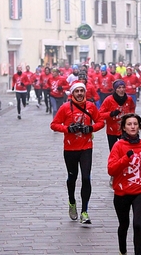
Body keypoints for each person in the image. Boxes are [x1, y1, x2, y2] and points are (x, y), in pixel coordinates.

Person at [50, 82, 105, 224]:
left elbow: (100, 122)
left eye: (82, 91)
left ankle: (84, 212)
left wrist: (90, 128)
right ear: (72, 93)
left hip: (86, 148)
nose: (80, 93)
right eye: (77, 91)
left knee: (86, 178)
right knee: (72, 178)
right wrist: (68, 129)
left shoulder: (91, 107)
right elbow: (54, 125)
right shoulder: (65, 108)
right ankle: (72, 201)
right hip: (70, 149)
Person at [108, 113, 141, 255]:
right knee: (124, 225)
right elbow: (111, 169)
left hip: (140, 190)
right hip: (122, 192)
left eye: (135, 124)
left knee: (137, 224)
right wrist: (125, 159)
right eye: (129, 124)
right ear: (123, 127)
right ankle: (123, 250)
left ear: (139, 127)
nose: (132, 126)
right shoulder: (118, 145)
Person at [99, 79, 136, 187]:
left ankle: (126, 173)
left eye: (123, 87)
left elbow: (132, 110)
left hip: (125, 130)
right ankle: (114, 174)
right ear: (115, 89)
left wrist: (131, 118)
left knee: (126, 151)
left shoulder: (128, 99)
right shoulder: (109, 100)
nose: (121, 90)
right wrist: (111, 114)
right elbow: (100, 114)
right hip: (112, 131)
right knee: (114, 153)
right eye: (119, 88)